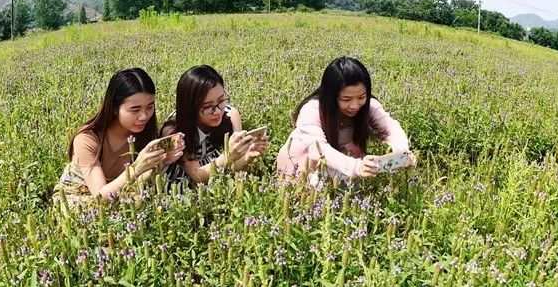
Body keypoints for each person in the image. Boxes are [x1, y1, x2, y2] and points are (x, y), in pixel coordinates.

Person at [276, 56, 415, 187]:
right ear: (331, 97)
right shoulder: (311, 110)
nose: (355, 105)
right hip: (303, 163)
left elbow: (391, 128)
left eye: (361, 97)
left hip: (342, 162)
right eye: (346, 99)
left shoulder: (369, 106)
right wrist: (356, 167)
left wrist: (403, 152)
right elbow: (318, 150)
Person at [54, 68, 184, 206]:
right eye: (135, 110)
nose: (144, 116)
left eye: (149, 107)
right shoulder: (86, 139)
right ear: (115, 108)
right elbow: (100, 198)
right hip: (83, 198)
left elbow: (135, 183)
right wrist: (136, 168)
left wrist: (160, 162)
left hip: (121, 192)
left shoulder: (142, 133)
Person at [161, 65, 268, 188]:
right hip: (184, 190)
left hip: (217, 180)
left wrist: (247, 157)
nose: (217, 112)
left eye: (221, 100)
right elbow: (197, 176)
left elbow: (234, 167)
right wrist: (228, 156)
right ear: (191, 107)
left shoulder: (230, 115)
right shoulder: (174, 131)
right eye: (207, 106)